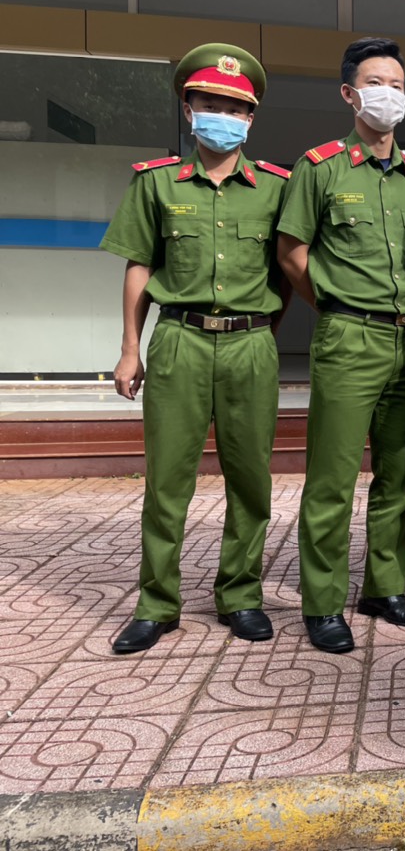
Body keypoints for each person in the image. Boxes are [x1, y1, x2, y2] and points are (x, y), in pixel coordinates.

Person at [101, 43, 290, 653]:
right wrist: (131, 348)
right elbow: (138, 266)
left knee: (250, 479)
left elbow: (286, 272)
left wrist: (263, 337)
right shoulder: (155, 183)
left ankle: (240, 594)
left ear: (251, 119)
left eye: (235, 108)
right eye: (210, 103)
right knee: (167, 480)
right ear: (189, 108)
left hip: (250, 345)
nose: (222, 116)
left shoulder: (275, 188)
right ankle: (157, 603)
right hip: (178, 339)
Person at [276, 37, 405, 653]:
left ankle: (383, 586)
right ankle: (322, 601)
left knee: (399, 475)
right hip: (349, 338)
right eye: (376, 83)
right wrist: (337, 305)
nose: (388, 95)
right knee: (333, 476)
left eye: (397, 84)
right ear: (349, 94)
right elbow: (293, 253)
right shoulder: (319, 168)